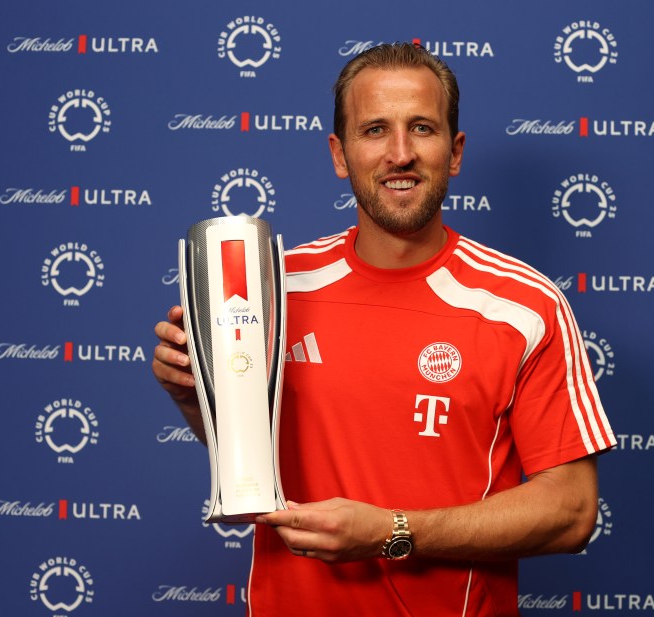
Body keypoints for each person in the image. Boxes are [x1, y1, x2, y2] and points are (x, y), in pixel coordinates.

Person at [153, 42, 615, 616]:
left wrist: (396, 531)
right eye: (374, 130)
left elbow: (571, 511)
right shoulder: (272, 289)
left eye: (422, 128)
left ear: (455, 152)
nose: (400, 153)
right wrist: (199, 398)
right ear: (340, 154)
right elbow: (252, 461)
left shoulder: (524, 306)